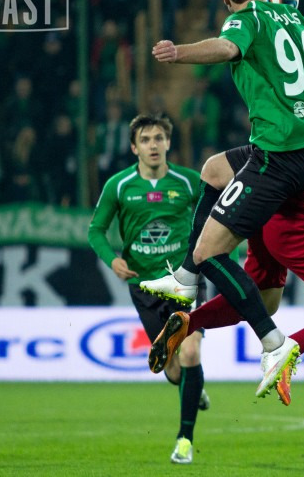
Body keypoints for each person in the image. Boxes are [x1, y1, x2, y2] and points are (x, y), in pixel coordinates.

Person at [140, 0, 304, 399]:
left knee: (209, 252)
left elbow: (227, 47)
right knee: (214, 170)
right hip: (303, 148)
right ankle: (185, 281)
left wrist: (178, 53)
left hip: (278, 154)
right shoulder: (299, 21)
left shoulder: (247, 19)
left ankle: (273, 342)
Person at [149, 44, 304, 405]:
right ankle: (290, 348)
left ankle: (190, 321)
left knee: (264, 302)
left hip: (259, 207)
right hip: (294, 224)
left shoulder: (288, 106)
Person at [87, 115, 209, 464]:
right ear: (133, 147)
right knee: (172, 368)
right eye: (145, 139)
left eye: (158, 138)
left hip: (185, 279)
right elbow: (96, 231)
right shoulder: (119, 185)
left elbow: (218, 218)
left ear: (168, 143)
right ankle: (193, 387)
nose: (153, 145)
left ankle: (185, 440)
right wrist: (112, 260)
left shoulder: (189, 182)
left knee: (190, 352)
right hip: (144, 287)